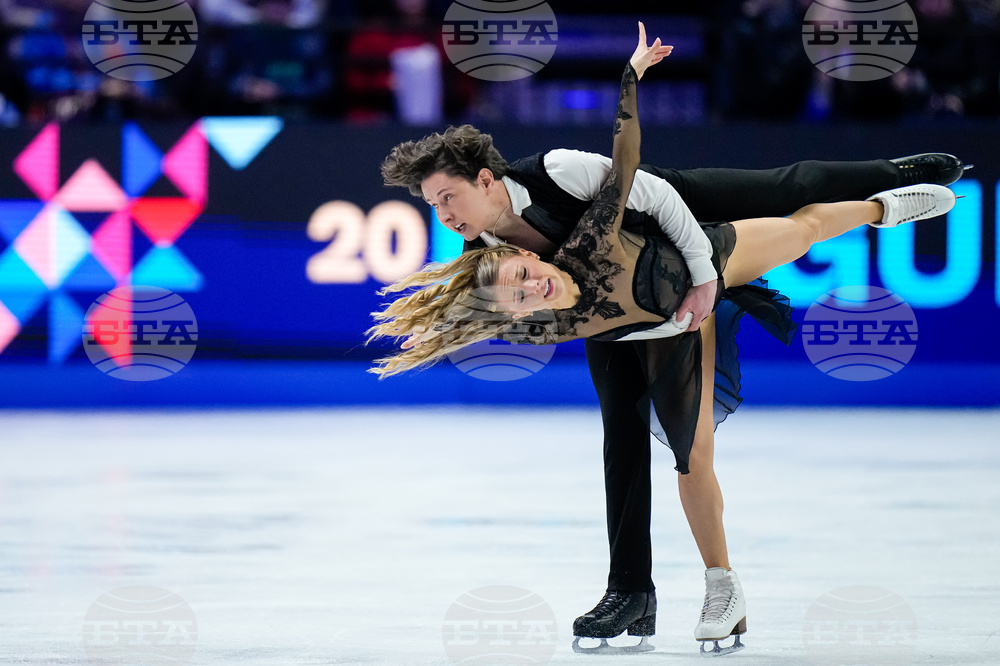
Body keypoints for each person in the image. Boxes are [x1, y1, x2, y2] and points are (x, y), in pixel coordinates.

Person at [375, 21, 967, 655]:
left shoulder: (554, 170)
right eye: (433, 206)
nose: (444, 216)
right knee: (621, 436)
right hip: (622, 310)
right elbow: (515, 303)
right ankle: (630, 590)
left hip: (670, 220)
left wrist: (705, 278)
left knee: (785, 193)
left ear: (486, 179)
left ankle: (890, 178)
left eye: (447, 198)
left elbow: (643, 184)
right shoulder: (486, 252)